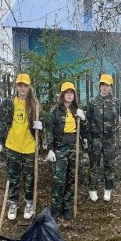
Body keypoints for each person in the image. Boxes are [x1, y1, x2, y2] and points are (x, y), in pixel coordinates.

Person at [0, 73, 43, 220]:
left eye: (25, 85)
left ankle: (29, 202)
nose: (23, 88)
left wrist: (41, 126)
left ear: (29, 87)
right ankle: (13, 203)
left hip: (29, 146)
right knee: (13, 177)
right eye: (20, 85)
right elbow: (1, 123)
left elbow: (41, 126)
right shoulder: (8, 103)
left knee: (29, 177)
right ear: (16, 86)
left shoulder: (35, 105)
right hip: (12, 146)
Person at [46, 82, 87, 221]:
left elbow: (85, 132)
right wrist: (50, 149)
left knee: (72, 178)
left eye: (72, 92)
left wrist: (84, 119)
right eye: (67, 92)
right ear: (62, 95)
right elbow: (50, 130)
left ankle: (67, 207)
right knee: (59, 179)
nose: (69, 95)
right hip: (60, 147)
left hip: (75, 147)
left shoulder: (77, 110)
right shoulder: (56, 111)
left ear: (74, 95)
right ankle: (55, 208)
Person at [85, 73, 121, 202]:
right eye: (102, 84)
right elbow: (87, 121)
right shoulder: (92, 102)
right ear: (99, 86)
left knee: (109, 165)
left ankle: (108, 190)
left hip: (110, 139)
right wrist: (87, 138)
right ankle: (92, 190)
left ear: (111, 87)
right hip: (96, 139)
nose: (104, 87)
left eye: (107, 85)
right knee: (94, 165)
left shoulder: (115, 102)